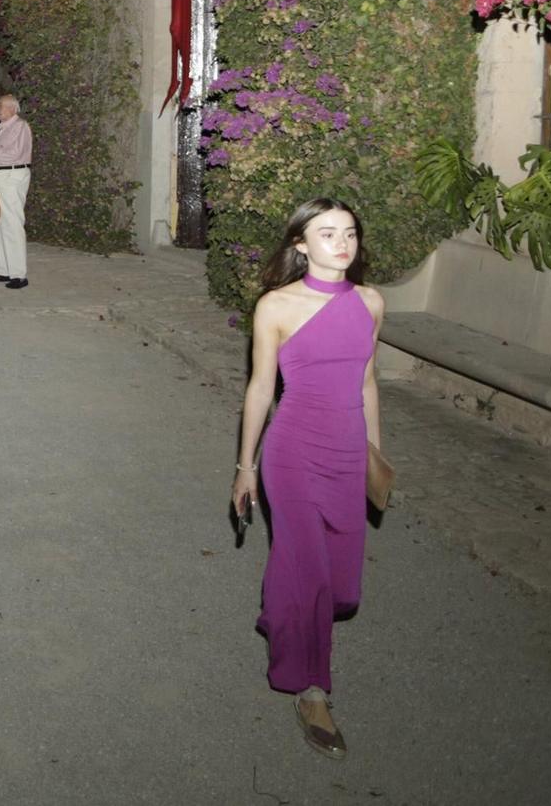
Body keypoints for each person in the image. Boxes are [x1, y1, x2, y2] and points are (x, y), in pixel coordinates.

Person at [232, 198, 384, 761]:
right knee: (310, 571)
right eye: (327, 233)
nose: (342, 243)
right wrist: (245, 466)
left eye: (349, 233)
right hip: (292, 452)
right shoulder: (276, 306)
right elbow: (259, 390)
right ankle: (312, 690)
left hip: (347, 452)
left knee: (340, 583)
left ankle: (283, 608)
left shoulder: (370, 303)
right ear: (300, 244)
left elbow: (368, 383)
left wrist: (374, 458)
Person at [0, 93, 33, 290]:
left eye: (0, 105)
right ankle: (5, 269)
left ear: (12, 108)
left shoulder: (20, 126)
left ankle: (18, 274)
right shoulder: (5, 128)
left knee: (13, 223)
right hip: (1, 175)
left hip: (12, 175)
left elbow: (13, 155)